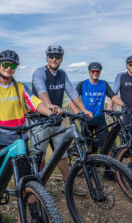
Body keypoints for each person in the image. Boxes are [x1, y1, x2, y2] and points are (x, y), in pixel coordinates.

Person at [0, 50, 59, 223]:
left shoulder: (21, 87)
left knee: (27, 181)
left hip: (18, 142)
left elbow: (35, 102)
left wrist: (49, 114)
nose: (9, 68)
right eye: (6, 65)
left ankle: (35, 215)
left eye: (13, 65)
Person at [31, 45, 93, 196]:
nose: (54, 59)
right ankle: (38, 190)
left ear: (61, 59)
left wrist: (84, 110)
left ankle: (68, 185)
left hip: (57, 120)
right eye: (51, 56)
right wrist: (49, 105)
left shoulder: (62, 74)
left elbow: (71, 91)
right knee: (40, 157)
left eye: (57, 56)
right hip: (40, 122)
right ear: (46, 57)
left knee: (63, 155)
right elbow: (41, 91)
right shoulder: (40, 73)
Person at [69, 62, 127, 151]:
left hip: (100, 120)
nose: (95, 73)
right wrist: (77, 113)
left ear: (100, 72)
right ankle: (90, 163)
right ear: (89, 72)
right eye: (93, 71)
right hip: (86, 120)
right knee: (88, 145)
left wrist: (123, 105)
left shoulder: (104, 84)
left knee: (107, 144)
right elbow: (72, 100)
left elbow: (113, 96)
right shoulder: (82, 84)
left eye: (97, 71)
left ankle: (107, 163)